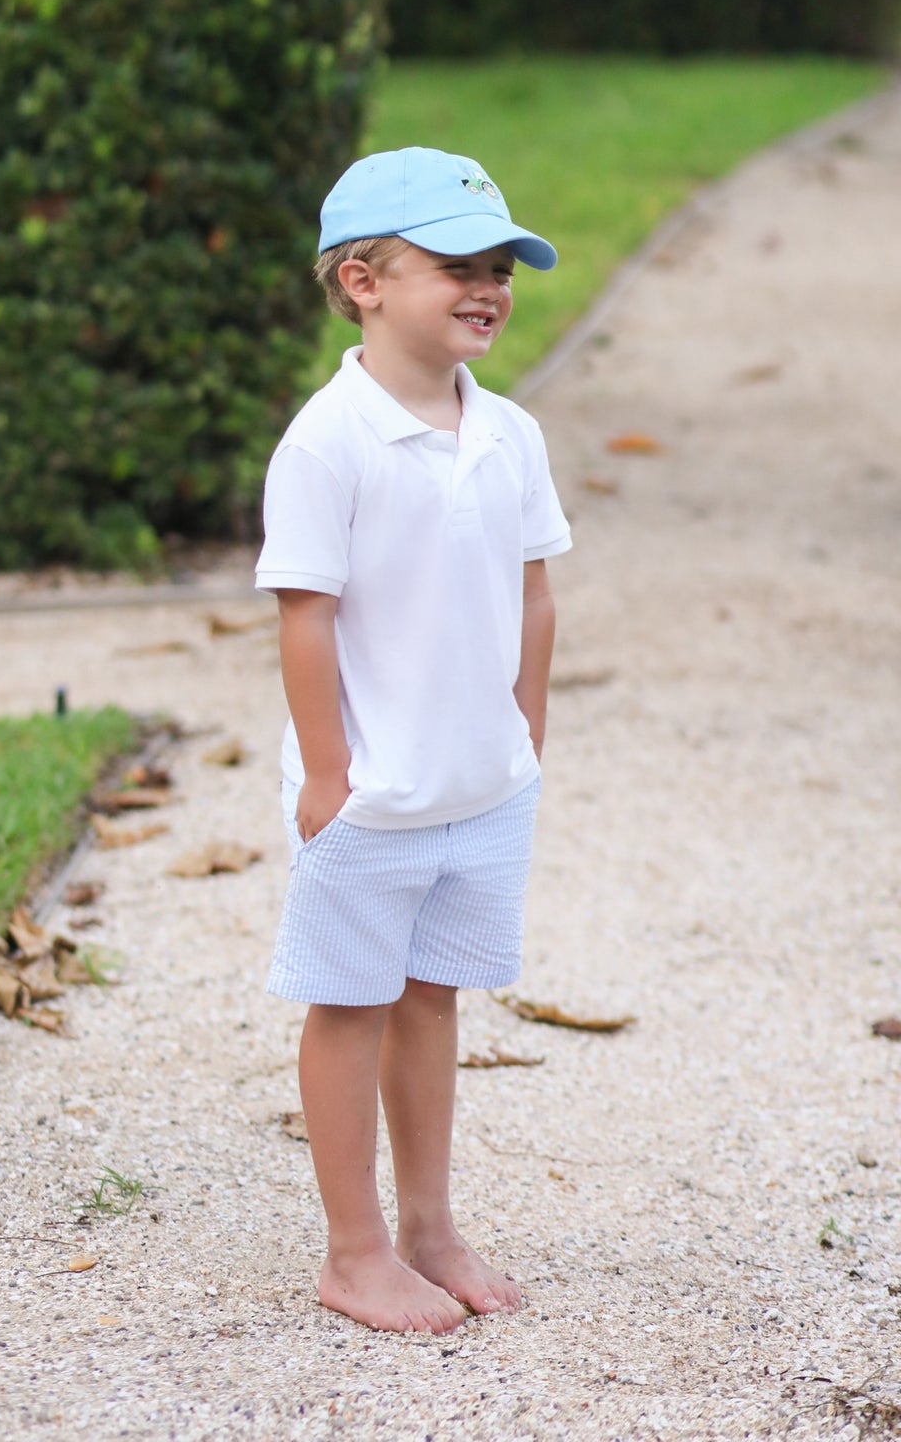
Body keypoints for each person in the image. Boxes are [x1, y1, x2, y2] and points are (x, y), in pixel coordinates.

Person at [255, 145, 571, 1335]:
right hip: (374, 793)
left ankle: (430, 1223)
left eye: (499, 266)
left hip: (480, 784)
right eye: (456, 264)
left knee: (432, 995)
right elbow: (305, 614)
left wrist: (524, 724)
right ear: (362, 280)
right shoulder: (326, 440)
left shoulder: (510, 434)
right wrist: (330, 776)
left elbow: (533, 592)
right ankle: (354, 1248)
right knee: (349, 1001)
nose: (486, 285)